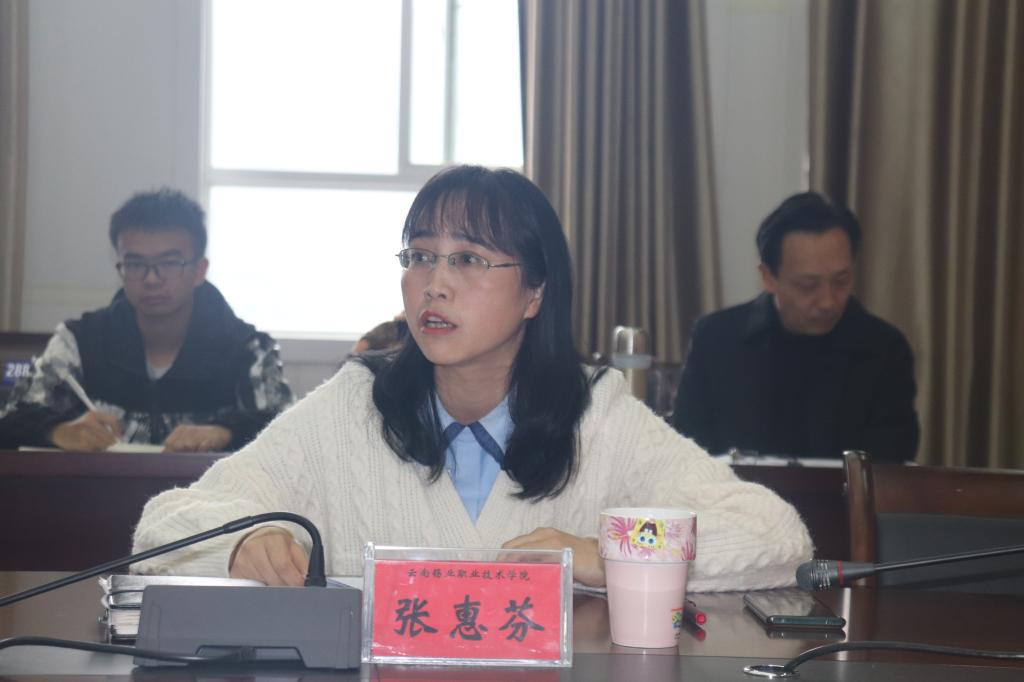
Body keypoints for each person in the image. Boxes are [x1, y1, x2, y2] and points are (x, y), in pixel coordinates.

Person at [132, 167, 812, 591]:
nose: (435, 283)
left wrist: (610, 553)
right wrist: (242, 542)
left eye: (469, 259)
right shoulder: (354, 407)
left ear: (535, 292)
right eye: (420, 256)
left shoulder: (596, 416)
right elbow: (164, 527)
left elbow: (774, 535)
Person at [0, 189, 293, 452]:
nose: (151, 279)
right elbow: (11, 418)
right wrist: (56, 431)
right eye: (135, 264)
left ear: (199, 270)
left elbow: (289, 432)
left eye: (169, 263)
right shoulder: (81, 341)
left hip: (210, 495)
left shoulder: (246, 349)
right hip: (99, 493)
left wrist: (226, 432)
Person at [673, 192, 919, 462]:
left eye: (841, 281)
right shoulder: (716, 339)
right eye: (808, 285)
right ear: (768, 277)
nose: (828, 301)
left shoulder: (884, 349)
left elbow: (891, 462)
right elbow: (687, 450)